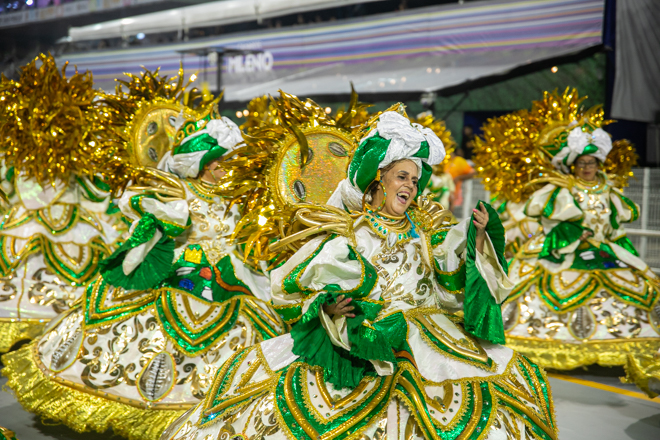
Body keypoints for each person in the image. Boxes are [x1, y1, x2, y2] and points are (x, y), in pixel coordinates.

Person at [160, 109, 558, 440]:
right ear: (377, 180)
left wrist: (476, 233)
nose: (410, 186)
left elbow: (450, 274)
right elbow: (309, 282)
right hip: (374, 332)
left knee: (496, 381)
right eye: (402, 176)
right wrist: (332, 305)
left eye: (415, 180)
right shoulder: (352, 235)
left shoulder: (424, 229)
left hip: (433, 333)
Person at [2, 107, 286, 440]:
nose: (228, 171)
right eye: (223, 165)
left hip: (234, 275)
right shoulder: (177, 194)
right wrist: (164, 226)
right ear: (207, 166)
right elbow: (151, 227)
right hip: (182, 270)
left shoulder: (237, 199)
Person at [504, 123, 660, 387]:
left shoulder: (609, 191)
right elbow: (548, 218)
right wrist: (575, 234)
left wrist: (618, 248)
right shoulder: (563, 189)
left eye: (592, 162)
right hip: (566, 250)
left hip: (604, 250)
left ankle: (628, 343)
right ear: (573, 166)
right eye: (582, 163)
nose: (587, 168)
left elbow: (614, 227)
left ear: (599, 165)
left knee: (636, 288)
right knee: (545, 288)